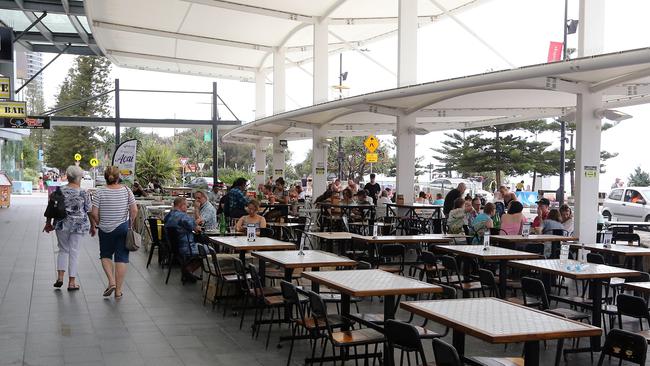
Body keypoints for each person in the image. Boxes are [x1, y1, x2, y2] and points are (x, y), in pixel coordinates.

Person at [43, 166, 94, 291]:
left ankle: (60, 278)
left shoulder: (59, 190)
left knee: (63, 250)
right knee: (74, 252)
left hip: (61, 224)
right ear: (78, 178)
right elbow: (89, 211)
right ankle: (72, 283)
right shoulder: (83, 193)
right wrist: (93, 225)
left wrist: (48, 223)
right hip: (79, 226)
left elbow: (51, 207)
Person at [90, 166, 137, 299]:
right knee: (121, 258)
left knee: (105, 255)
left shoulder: (99, 192)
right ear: (118, 177)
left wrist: (99, 222)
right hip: (122, 228)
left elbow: (94, 212)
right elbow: (134, 210)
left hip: (105, 229)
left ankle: (111, 282)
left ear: (106, 177)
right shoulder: (127, 191)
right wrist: (130, 223)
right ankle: (118, 291)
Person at [164, 197, 202, 282]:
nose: (187, 207)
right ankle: (188, 270)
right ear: (182, 205)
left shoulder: (168, 215)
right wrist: (197, 222)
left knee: (202, 248)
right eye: (187, 205)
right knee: (208, 251)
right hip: (186, 247)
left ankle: (187, 271)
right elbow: (196, 228)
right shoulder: (183, 216)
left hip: (173, 247)